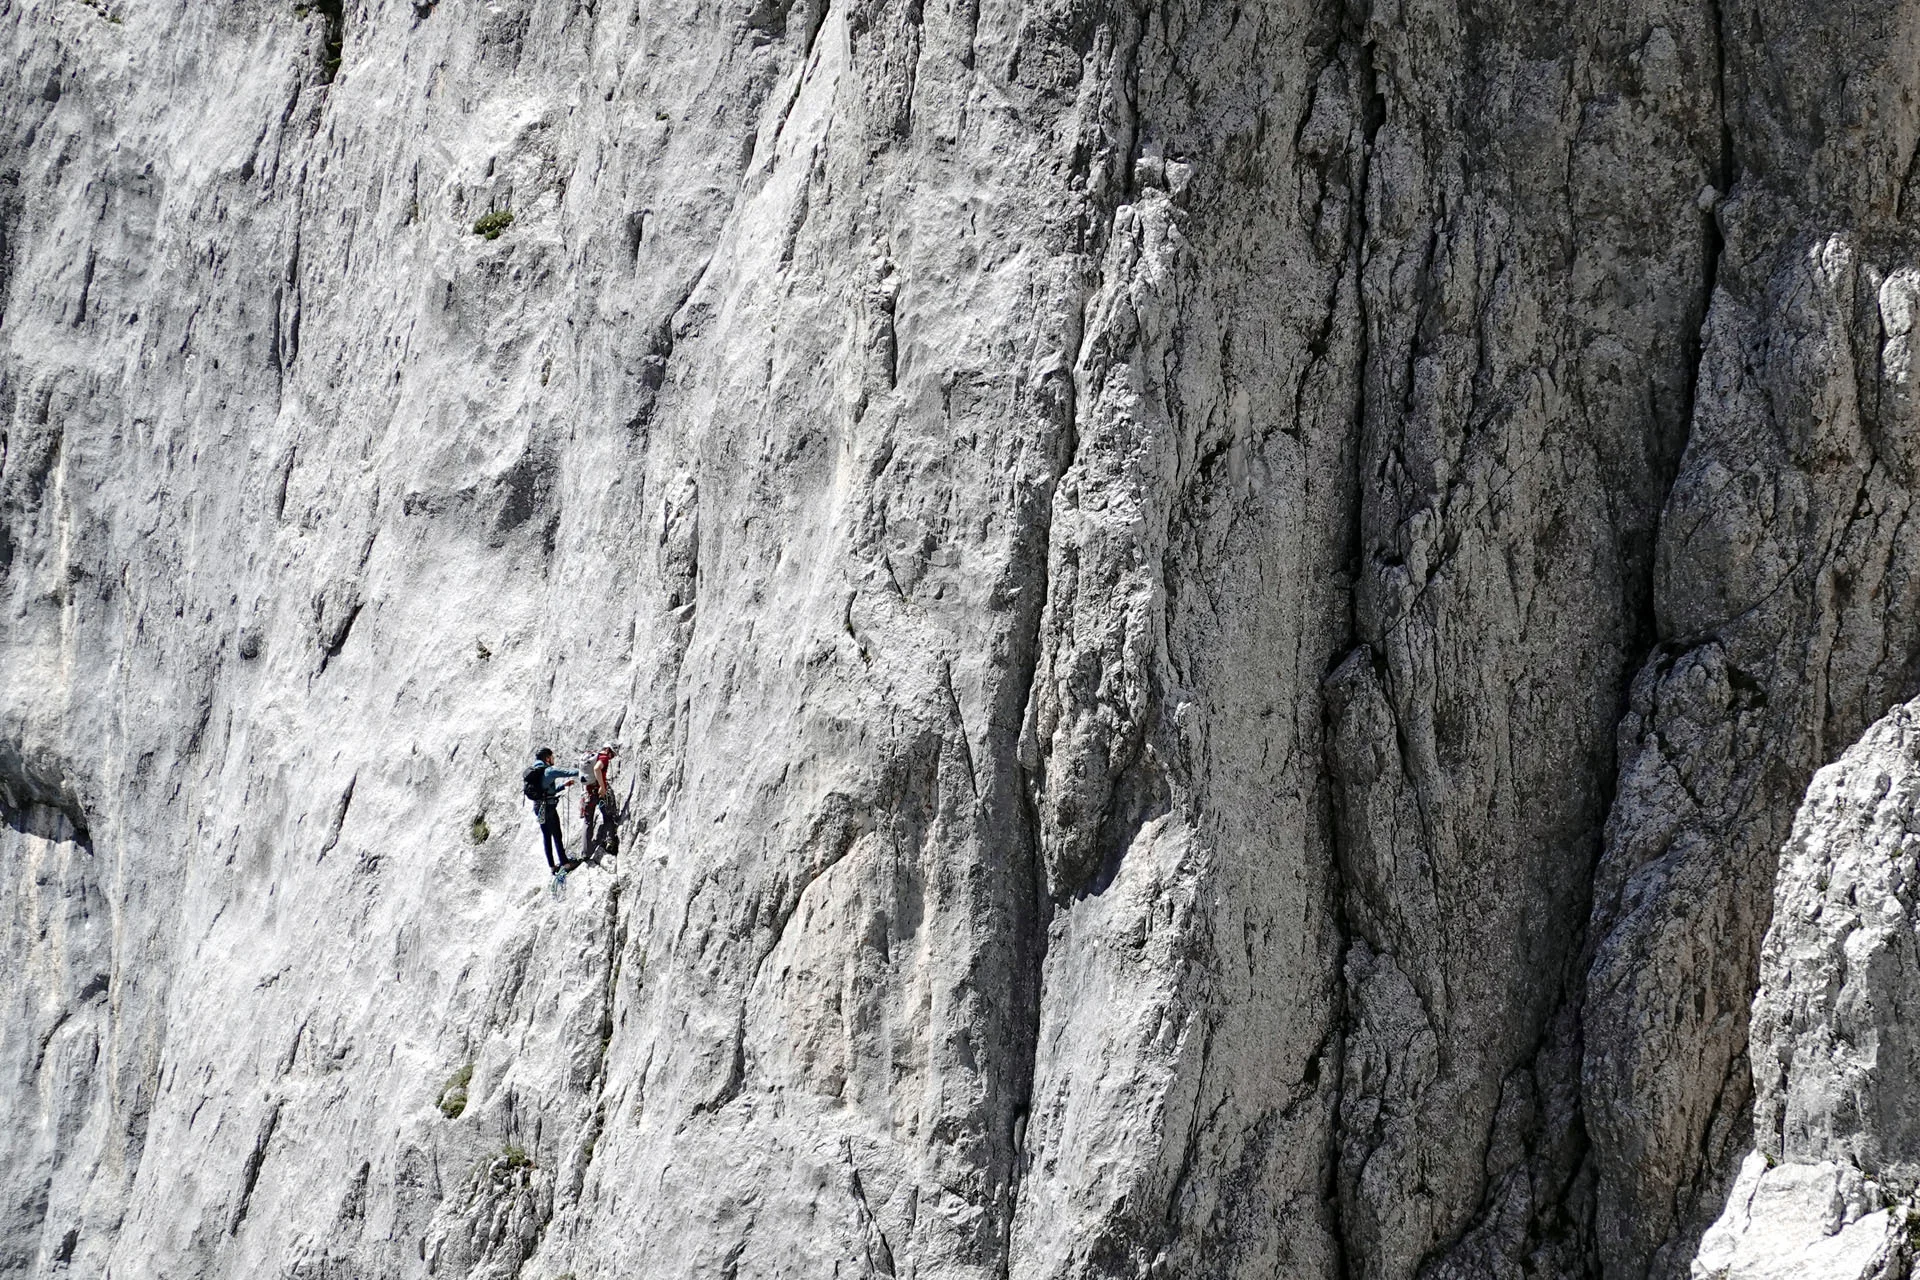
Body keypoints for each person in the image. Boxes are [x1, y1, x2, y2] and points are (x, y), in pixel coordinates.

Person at [525, 747, 580, 874]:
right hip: (548, 808)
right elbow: (566, 772)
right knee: (557, 834)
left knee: (546, 836)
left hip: (538, 807)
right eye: (552, 757)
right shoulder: (548, 771)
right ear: (547, 758)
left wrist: (563, 786)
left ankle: (552, 866)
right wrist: (584, 770)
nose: (553, 759)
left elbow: (546, 791)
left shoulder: (534, 772)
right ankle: (565, 864)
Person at [582, 744, 620, 859]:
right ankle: (610, 842)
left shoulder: (590, 758)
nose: (611, 757)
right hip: (599, 794)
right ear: (608, 750)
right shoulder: (603, 758)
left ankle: (586, 853)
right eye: (612, 754)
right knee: (607, 815)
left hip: (588, 794)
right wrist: (602, 787)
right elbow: (597, 768)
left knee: (587, 822)